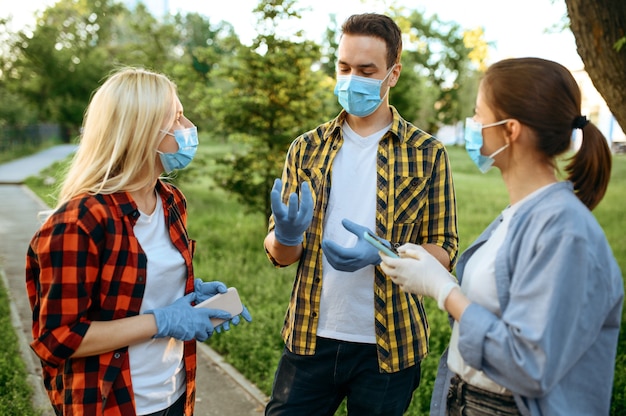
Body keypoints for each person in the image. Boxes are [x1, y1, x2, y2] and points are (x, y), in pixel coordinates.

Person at [379, 57, 624, 415]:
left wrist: (444, 290)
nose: (473, 125)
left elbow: (529, 365)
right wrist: (439, 280)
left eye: (479, 115)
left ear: (510, 130)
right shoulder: (517, 215)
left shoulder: (566, 233)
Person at [263, 13, 458, 415]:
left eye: (367, 70)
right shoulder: (306, 149)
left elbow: (445, 249)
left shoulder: (427, 153)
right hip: (310, 337)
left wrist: (389, 254)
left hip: (389, 347)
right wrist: (284, 236)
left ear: (393, 74)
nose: (353, 79)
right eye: (345, 68)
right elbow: (283, 257)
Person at [25, 67, 251, 416]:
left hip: (175, 391)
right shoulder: (79, 221)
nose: (188, 127)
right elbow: (56, 338)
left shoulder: (171, 201)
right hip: (110, 401)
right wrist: (162, 321)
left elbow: (136, 291)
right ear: (142, 131)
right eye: (176, 118)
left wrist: (190, 297)